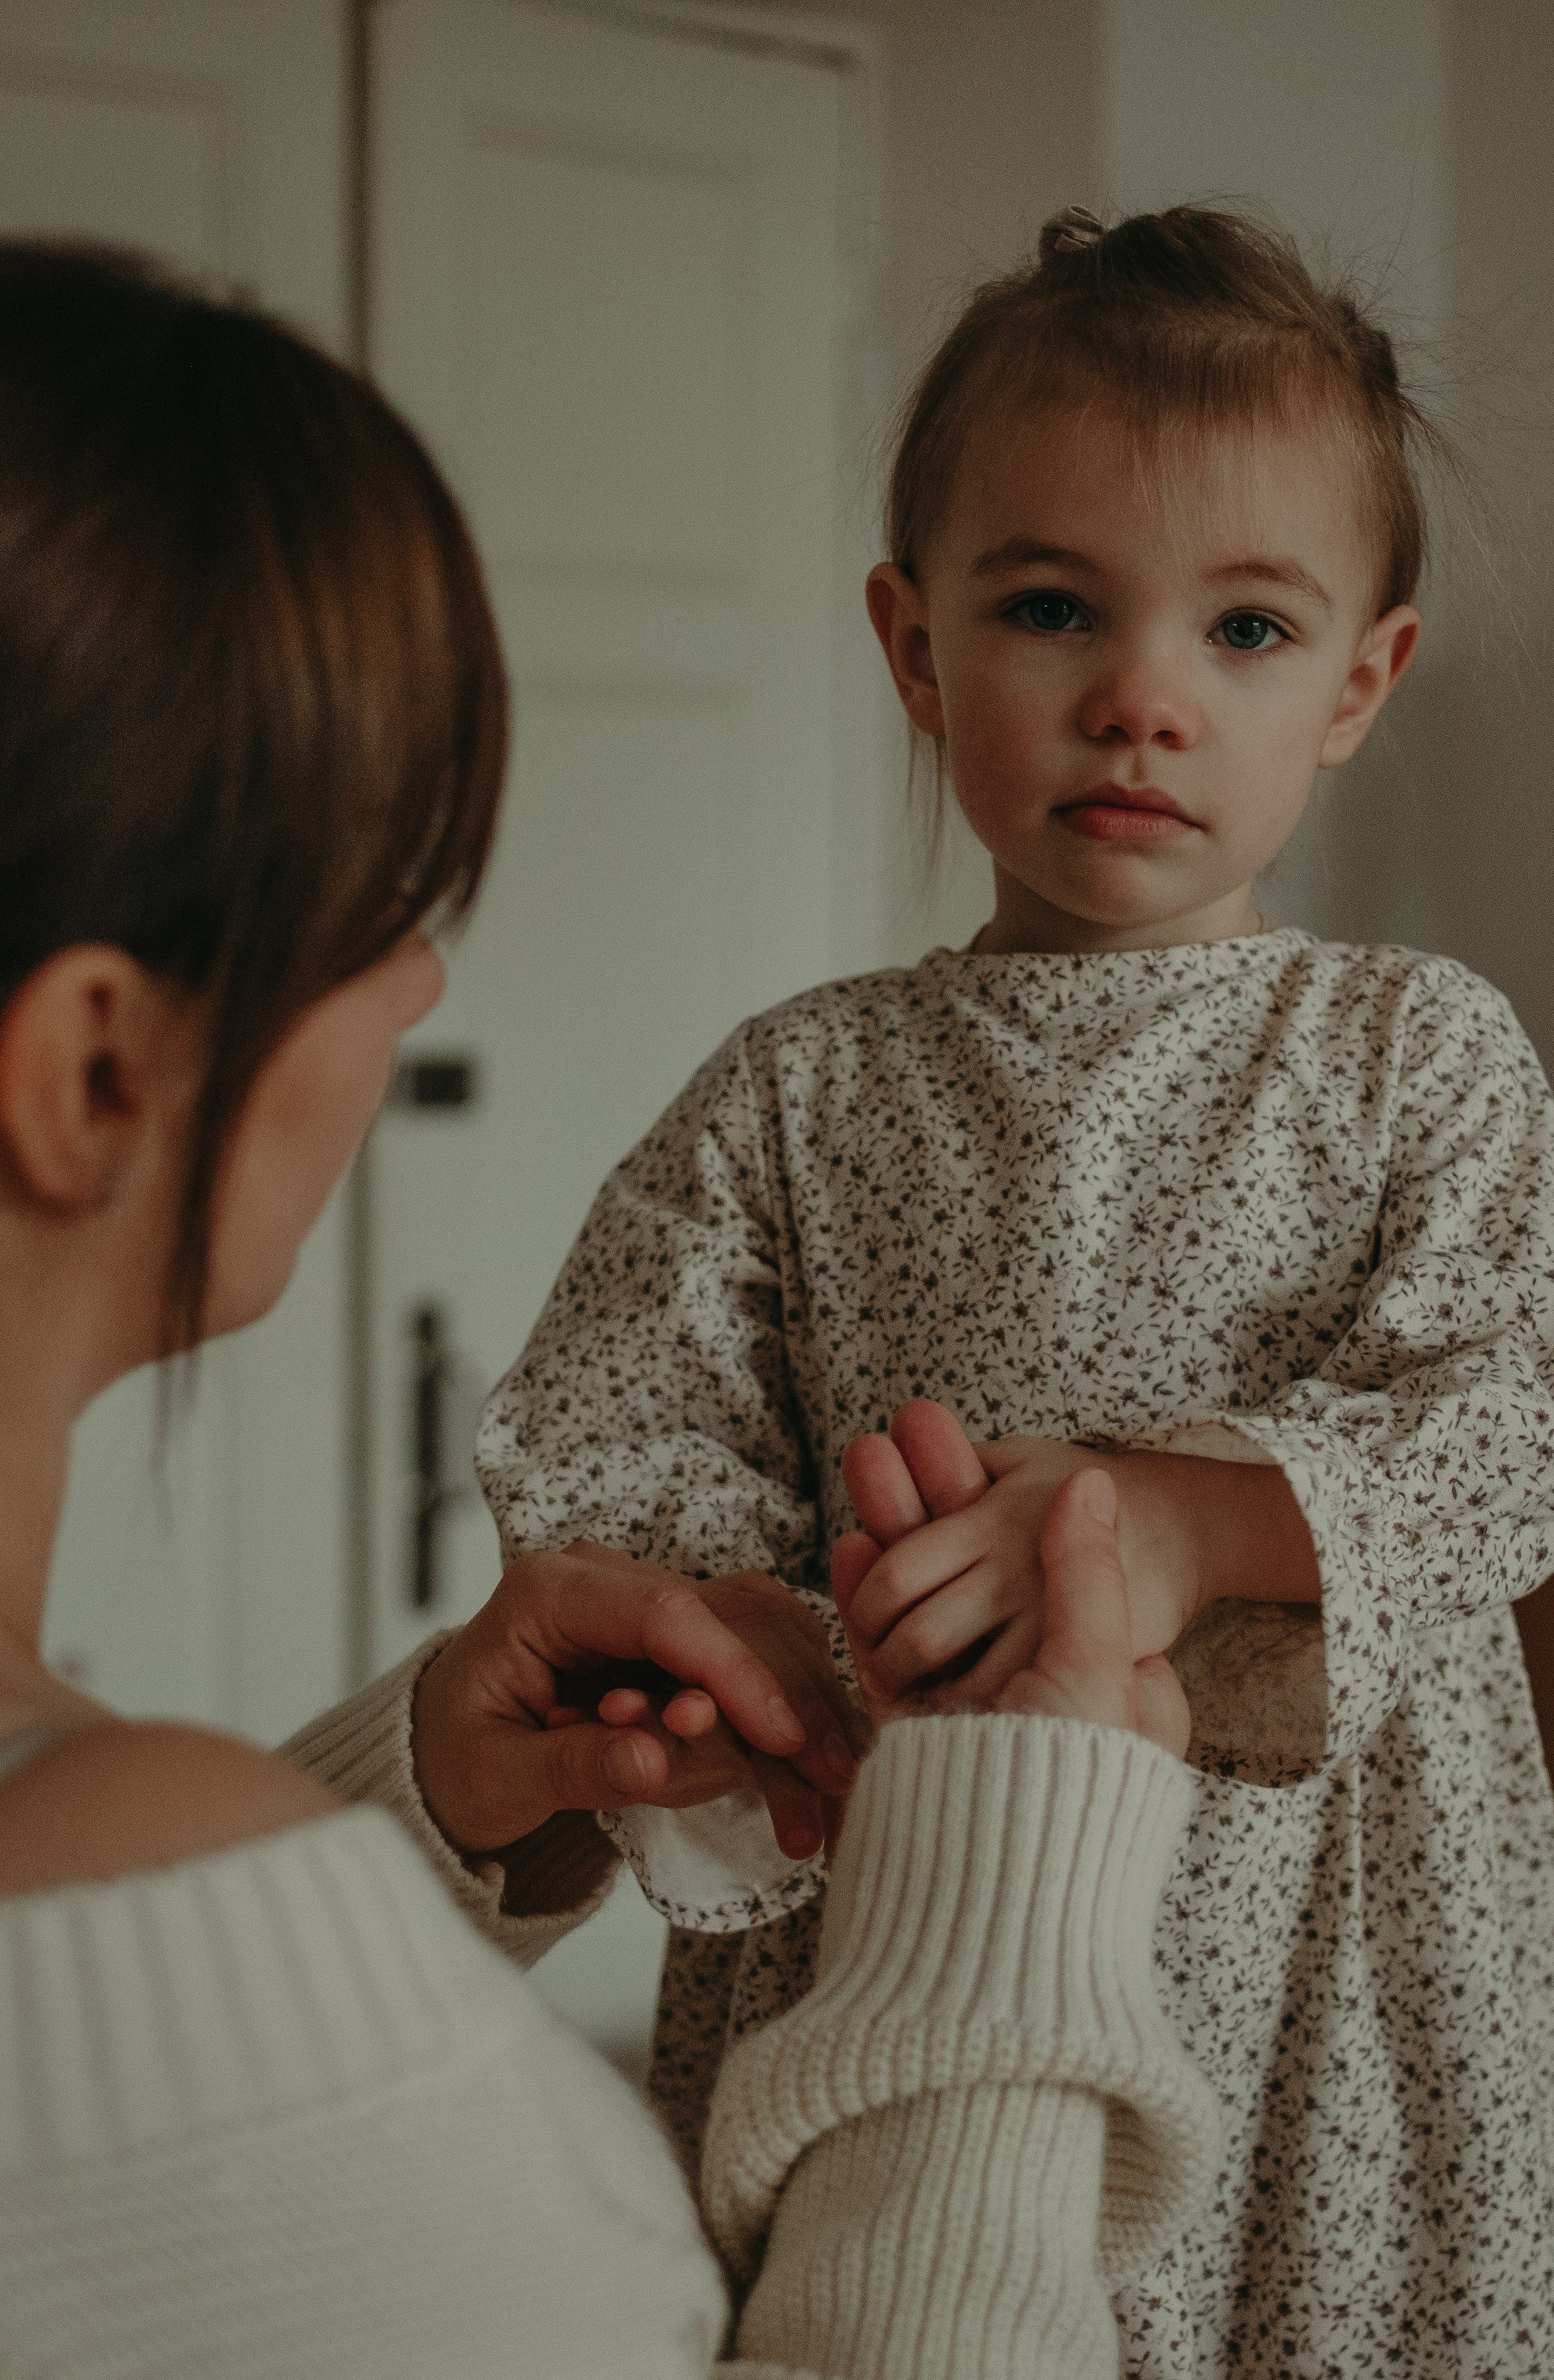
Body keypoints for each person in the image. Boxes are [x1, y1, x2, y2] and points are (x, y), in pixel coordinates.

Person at [0, 239, 1219, 2377]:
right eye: (388, 903)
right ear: (91, 1074)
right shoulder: (109, 1928)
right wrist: (1010, 1878)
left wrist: (411, 1792)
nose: (423, 982)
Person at [475, 205, 1554, 2374]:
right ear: (913, 646)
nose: (1141, 696)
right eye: (1052, 607)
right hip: (919, 1872)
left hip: (1336, 1935)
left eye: (1244, 627)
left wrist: (1179, 1525)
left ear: (1356, 682)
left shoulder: (1413, 1051)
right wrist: (773, 1636)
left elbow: (1507, 1417)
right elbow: (613, 1433)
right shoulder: (796, 1087)